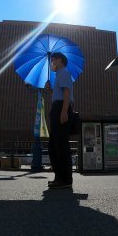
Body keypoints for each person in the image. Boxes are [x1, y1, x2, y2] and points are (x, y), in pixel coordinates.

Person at [47, 52, 75, 189]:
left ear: (59, 60)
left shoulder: (63, 72)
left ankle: (65, 179)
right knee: (54, 145)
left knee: (61, 145)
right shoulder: (59, 74)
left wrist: (63, 111)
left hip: (61, 109)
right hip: (57, 108)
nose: (51, 64)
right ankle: (59, 177)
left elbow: (67, 92)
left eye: (52, 61)